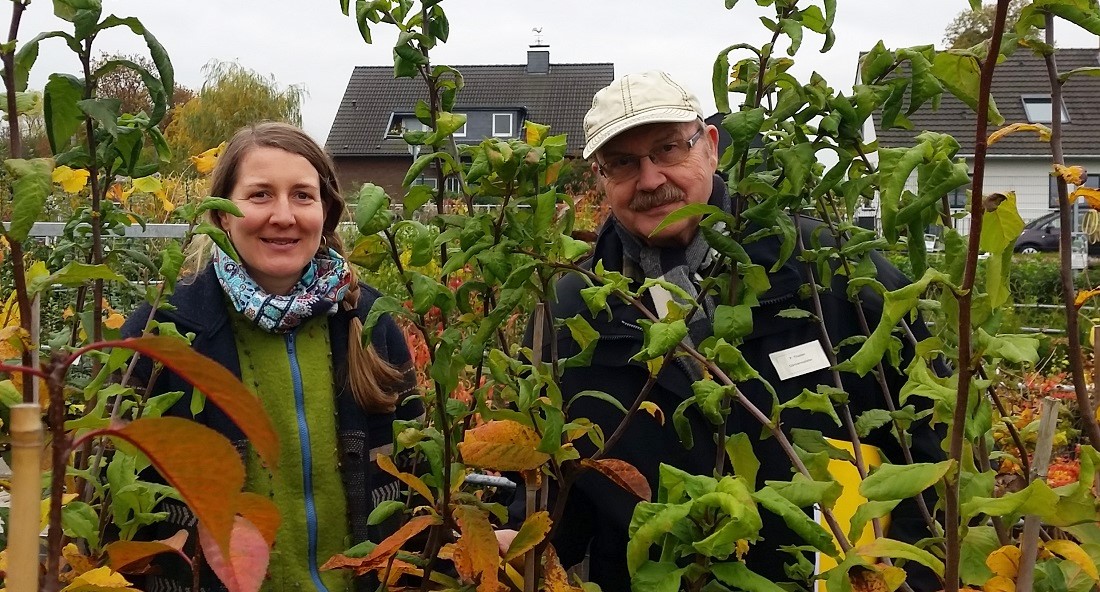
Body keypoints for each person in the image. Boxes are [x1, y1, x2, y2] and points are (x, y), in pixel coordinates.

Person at [539, 71, 942, 589]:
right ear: (601, 177)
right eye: (622, 163)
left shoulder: (829, 269)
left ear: (710, 146)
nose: (649, 180)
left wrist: (911, 578)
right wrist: (514, 539)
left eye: (667, 150)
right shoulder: (574, 312)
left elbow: (931, 444)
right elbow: (570, 493)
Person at [122, 122, 423, 592]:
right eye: (260, 195)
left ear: (326, 212)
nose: (284, 215)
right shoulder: (166, 329)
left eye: (303, 196)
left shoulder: (369, 321)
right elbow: (118, 491)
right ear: (223, 213)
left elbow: (414, 468)